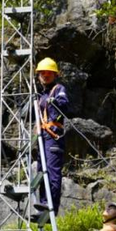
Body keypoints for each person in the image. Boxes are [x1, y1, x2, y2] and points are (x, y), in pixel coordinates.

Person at [35, 57, 69, 216]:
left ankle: (51, 207)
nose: (45, 76)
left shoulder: (58, 88)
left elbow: (64, 102)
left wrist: (54, 100)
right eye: (42, 73)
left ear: (55, 74)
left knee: (52, 172)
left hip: (53, 136)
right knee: (41, 172)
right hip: (43, 137)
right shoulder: (41, 95)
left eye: (49, 73)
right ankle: (43, 204)